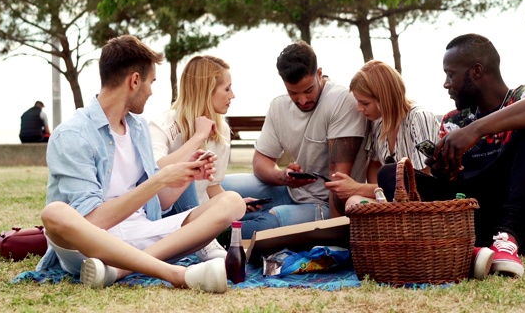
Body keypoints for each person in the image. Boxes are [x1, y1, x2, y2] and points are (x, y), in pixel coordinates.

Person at [36, 35, 246, 293]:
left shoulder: (138, 129)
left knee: (232, 202)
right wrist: (160, 178)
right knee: (54, 213)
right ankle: (174, 273)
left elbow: (159, 204)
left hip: (142, 236)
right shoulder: (73, 135)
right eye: (151, 82)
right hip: (90, 246)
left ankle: (120, 270)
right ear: (135, 81)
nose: (151, 91)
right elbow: (92, 221)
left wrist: (187, 175)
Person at [379, 33, 525, 279]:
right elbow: (459, 190)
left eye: (450, 74)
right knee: (391, 173)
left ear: (476, 71)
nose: (446, 84)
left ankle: (507, 242)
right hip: (473, 222)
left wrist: (475, 130)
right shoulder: (453, 121)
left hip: (522, 224)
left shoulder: (521, 97)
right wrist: (447, 173)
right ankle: (466, 248)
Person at [221, 40, 370, 239]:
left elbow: (338, 181)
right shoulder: (279, 107)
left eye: (308, 90)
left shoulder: (340, 100)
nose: (302, 100)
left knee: (265, 221)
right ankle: (185, 229)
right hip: (289, 192)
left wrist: (336, 238)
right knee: (220, 189)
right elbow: (260, 161)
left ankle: (199, 237)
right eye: (293, 93)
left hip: (326, 204)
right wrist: (283, 177)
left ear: (319, 74)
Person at [149, 55, 239, 257]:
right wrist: (198, 137)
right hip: (164, 213)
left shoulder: (221, 128)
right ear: (207, 91)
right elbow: (156, 173)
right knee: (187, 169)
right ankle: (203, 241)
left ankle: (208, 235)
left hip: (199, 211)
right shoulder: (162, 125)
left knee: (240, 204)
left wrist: (229, 207)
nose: (232, 95)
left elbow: (211, 186)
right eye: (227, 89)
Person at [324, 60, 440, 208]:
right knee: (355, 204)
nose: (359, 108)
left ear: (384, 99)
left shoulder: (419, 118)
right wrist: (379, 197)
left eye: (365, 103)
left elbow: (424, 182)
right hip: (394, 201)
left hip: (424, 204)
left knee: (355, 199)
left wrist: (357, 188)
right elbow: (374, 166)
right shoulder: (378, 123)